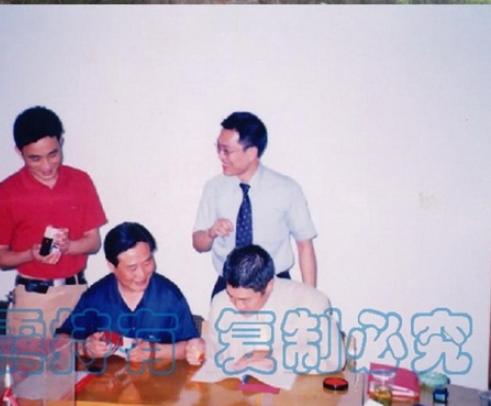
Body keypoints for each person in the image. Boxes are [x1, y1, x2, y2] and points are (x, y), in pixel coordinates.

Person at [0, 106, 107, 337]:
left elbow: (93, 242)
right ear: (19, 152)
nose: (46, 166)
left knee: (79, 360)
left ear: (61, 142)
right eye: (35, 158)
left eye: (53, 154)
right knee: (30, 361)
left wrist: (68, 246)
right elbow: (0, 258)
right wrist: (31, 254)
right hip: (33, 299)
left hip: (77, 295)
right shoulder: (6, 192)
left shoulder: (80, 181)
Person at [192, 111, 317, 298]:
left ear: (251, 153)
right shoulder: (214, 188)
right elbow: (198, 244)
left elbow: (305, 246)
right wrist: (211, 233)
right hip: (228, 287)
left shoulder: (286, 189)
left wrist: (310, 298)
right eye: (218, 148)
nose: (220, 156)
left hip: (275, 286)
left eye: (227, 150)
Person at [186, 245, 344, 374]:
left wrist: (274, 357)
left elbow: (333, 357)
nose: (237, 305)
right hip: (237, 397)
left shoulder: (310, 301)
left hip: (292, 397)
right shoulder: (220, 302)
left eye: (245, 300)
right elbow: (217, 347)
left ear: (268, 286)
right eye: (231, 296)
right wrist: (202, 348)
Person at [56, 222, 199, 363]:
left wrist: (155, 351)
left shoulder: (169, 296)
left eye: (147, 262)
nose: (141, 274)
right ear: (112, 266)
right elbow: (60, 339)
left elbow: (191, 346)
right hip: (107, 376)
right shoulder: (96, 297)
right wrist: (83, 348)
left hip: (158, 376)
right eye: (132, 268)